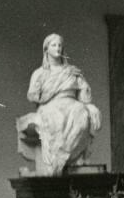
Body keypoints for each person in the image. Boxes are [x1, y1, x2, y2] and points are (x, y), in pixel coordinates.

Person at [20, 33, 102, 176]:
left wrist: (85, 88)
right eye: (54, 45)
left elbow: (84, 97)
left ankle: (66, 156)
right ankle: (56, 161)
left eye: (60, 45)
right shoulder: (40, 73)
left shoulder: (72, 71)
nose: (57, 48)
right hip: (50, 105)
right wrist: (49, 94)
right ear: (46, 49)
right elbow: (32, 95)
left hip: (73, 104)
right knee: (56, 119)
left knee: (82, 114)